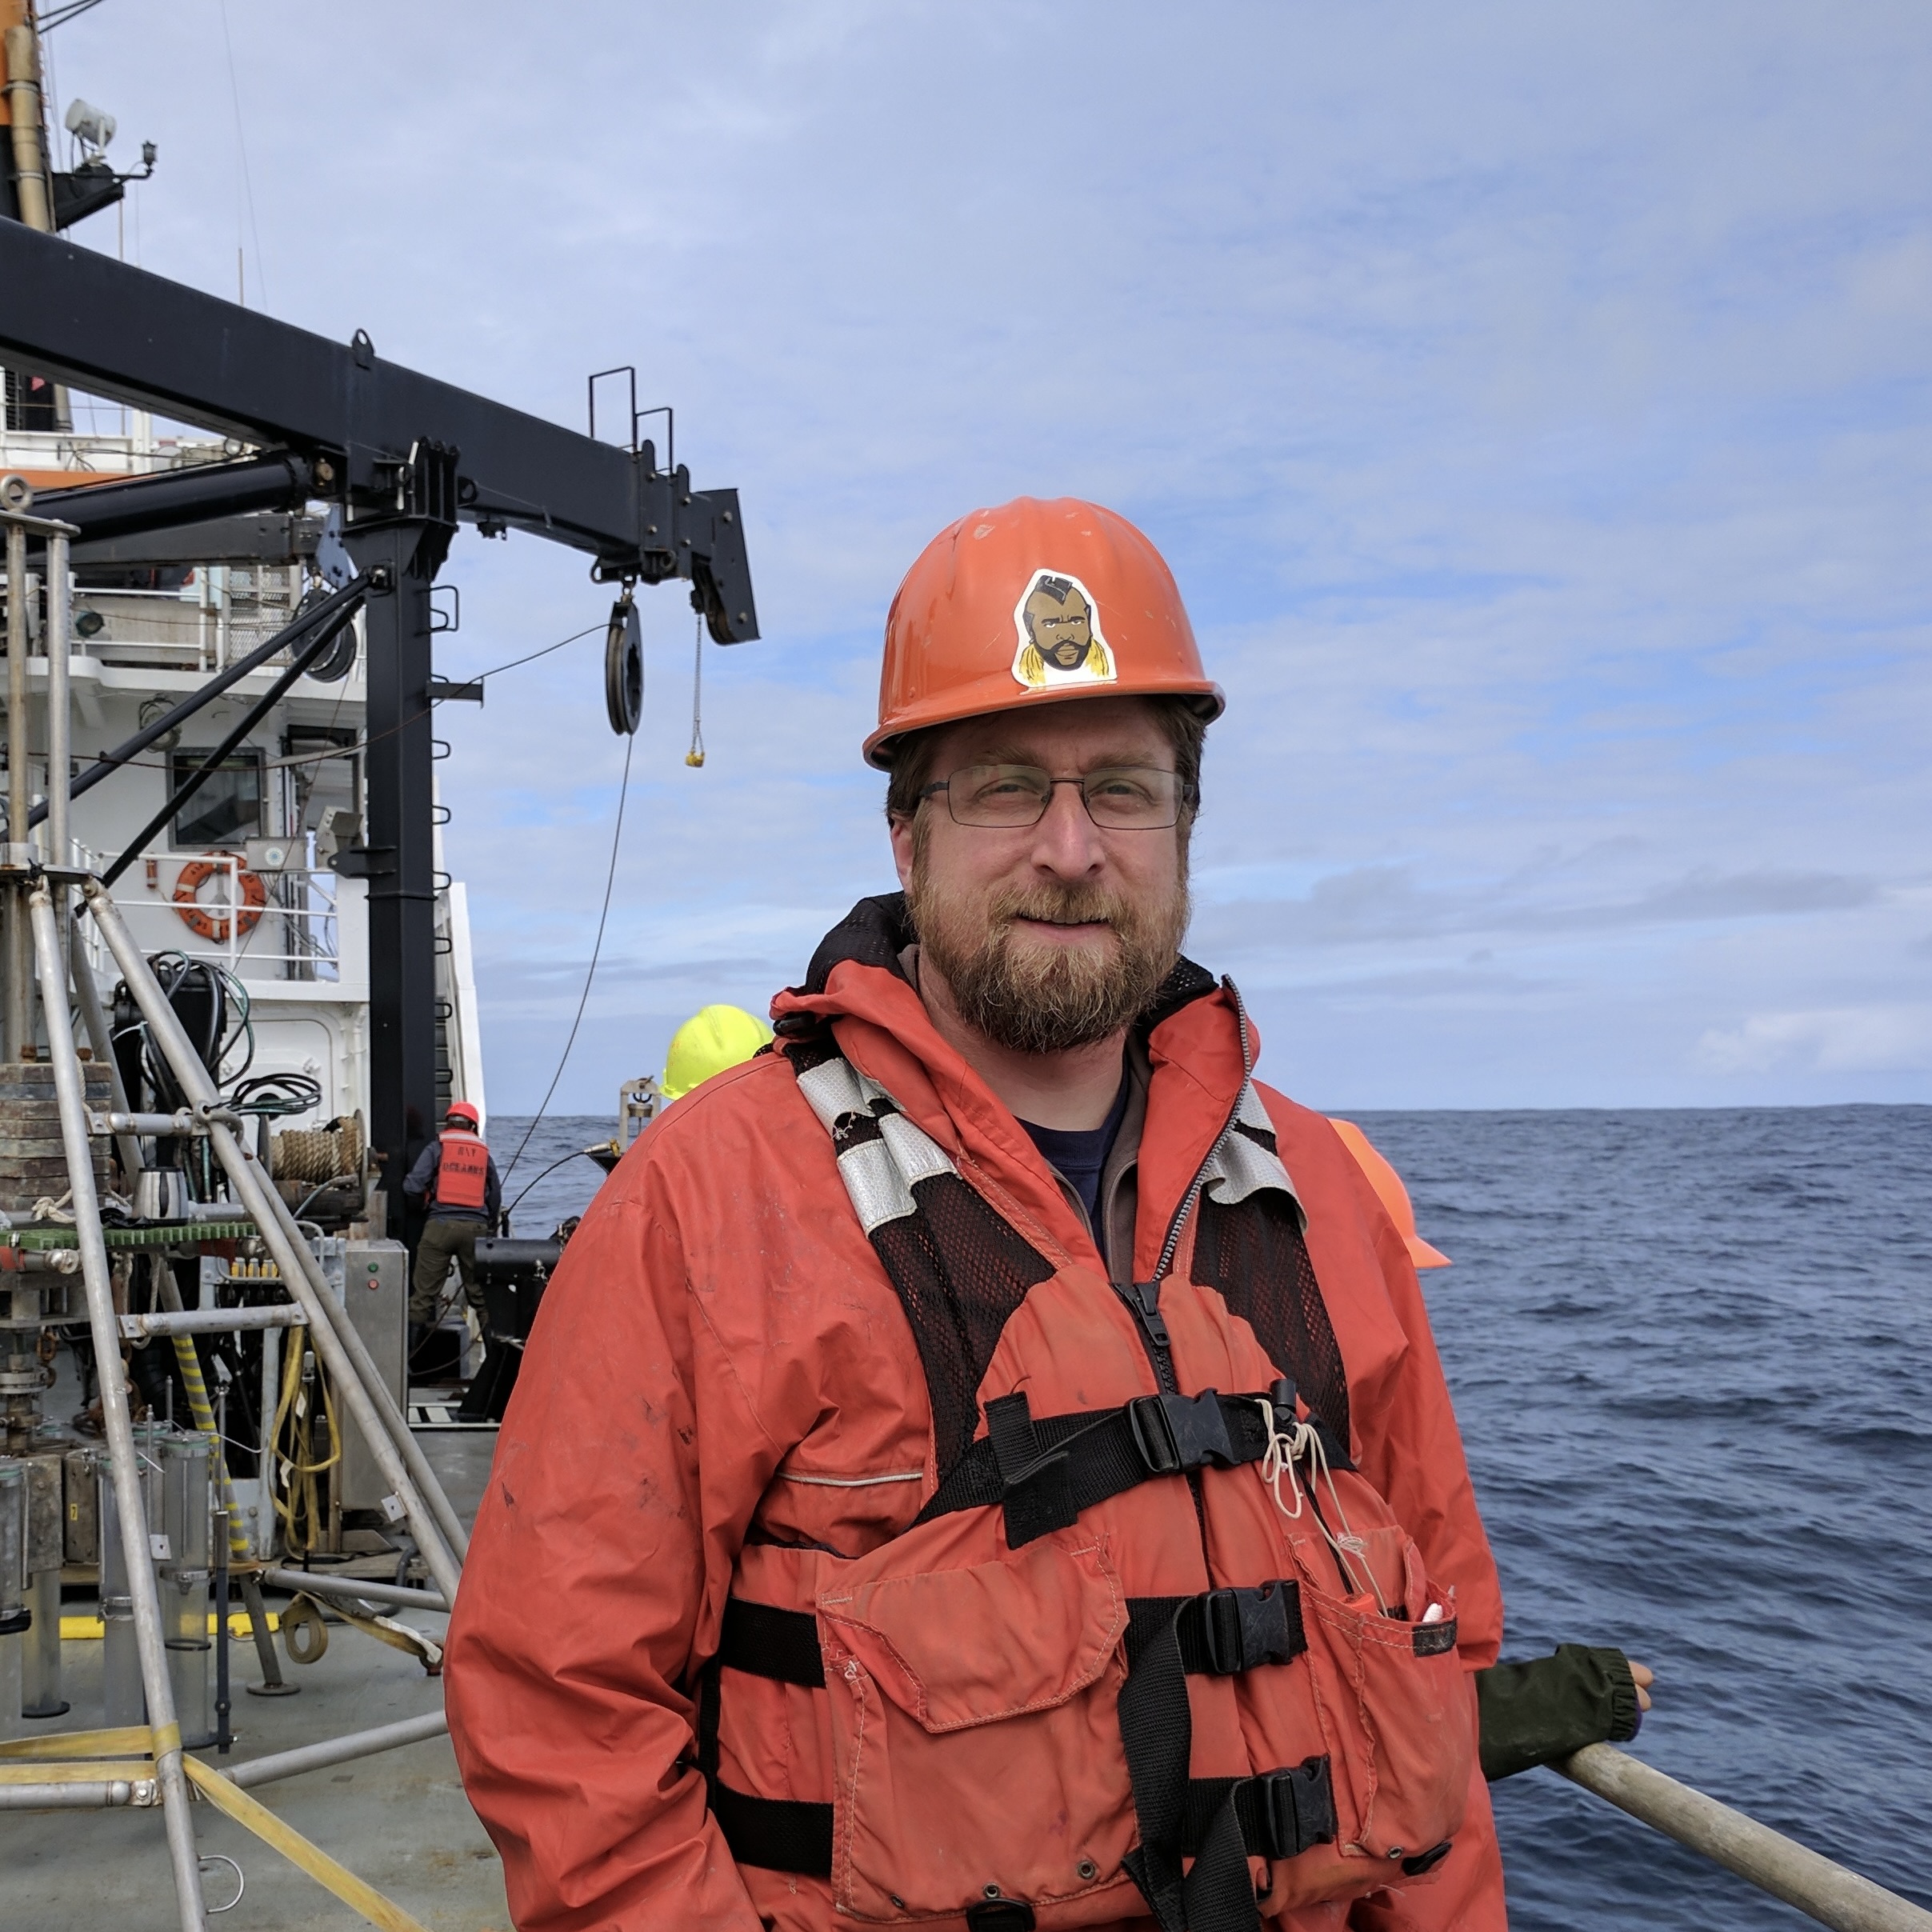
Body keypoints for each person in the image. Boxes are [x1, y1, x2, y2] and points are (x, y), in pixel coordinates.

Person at [446, 497, 1642, 1932]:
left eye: (1122, 789)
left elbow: (1438, 1668)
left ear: (1184, 826)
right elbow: (564, 1712)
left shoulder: (1322, 1192)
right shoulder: (702, 1202)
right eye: (1007, 788)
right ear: (907, 836)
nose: (1070, 849)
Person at [402, 1099, 500, 1360]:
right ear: (473, 1127)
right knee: (481, 1299)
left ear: (448, 1123)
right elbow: (494, 1197)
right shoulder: (484, 1154)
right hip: (476, 1231)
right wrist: (489, 1227)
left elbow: (412, 1186)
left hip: (440, 1228)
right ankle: (495, 1362)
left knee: (423, 1298)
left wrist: (422, 1206)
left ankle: (409, 1365)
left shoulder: (437, 1148)